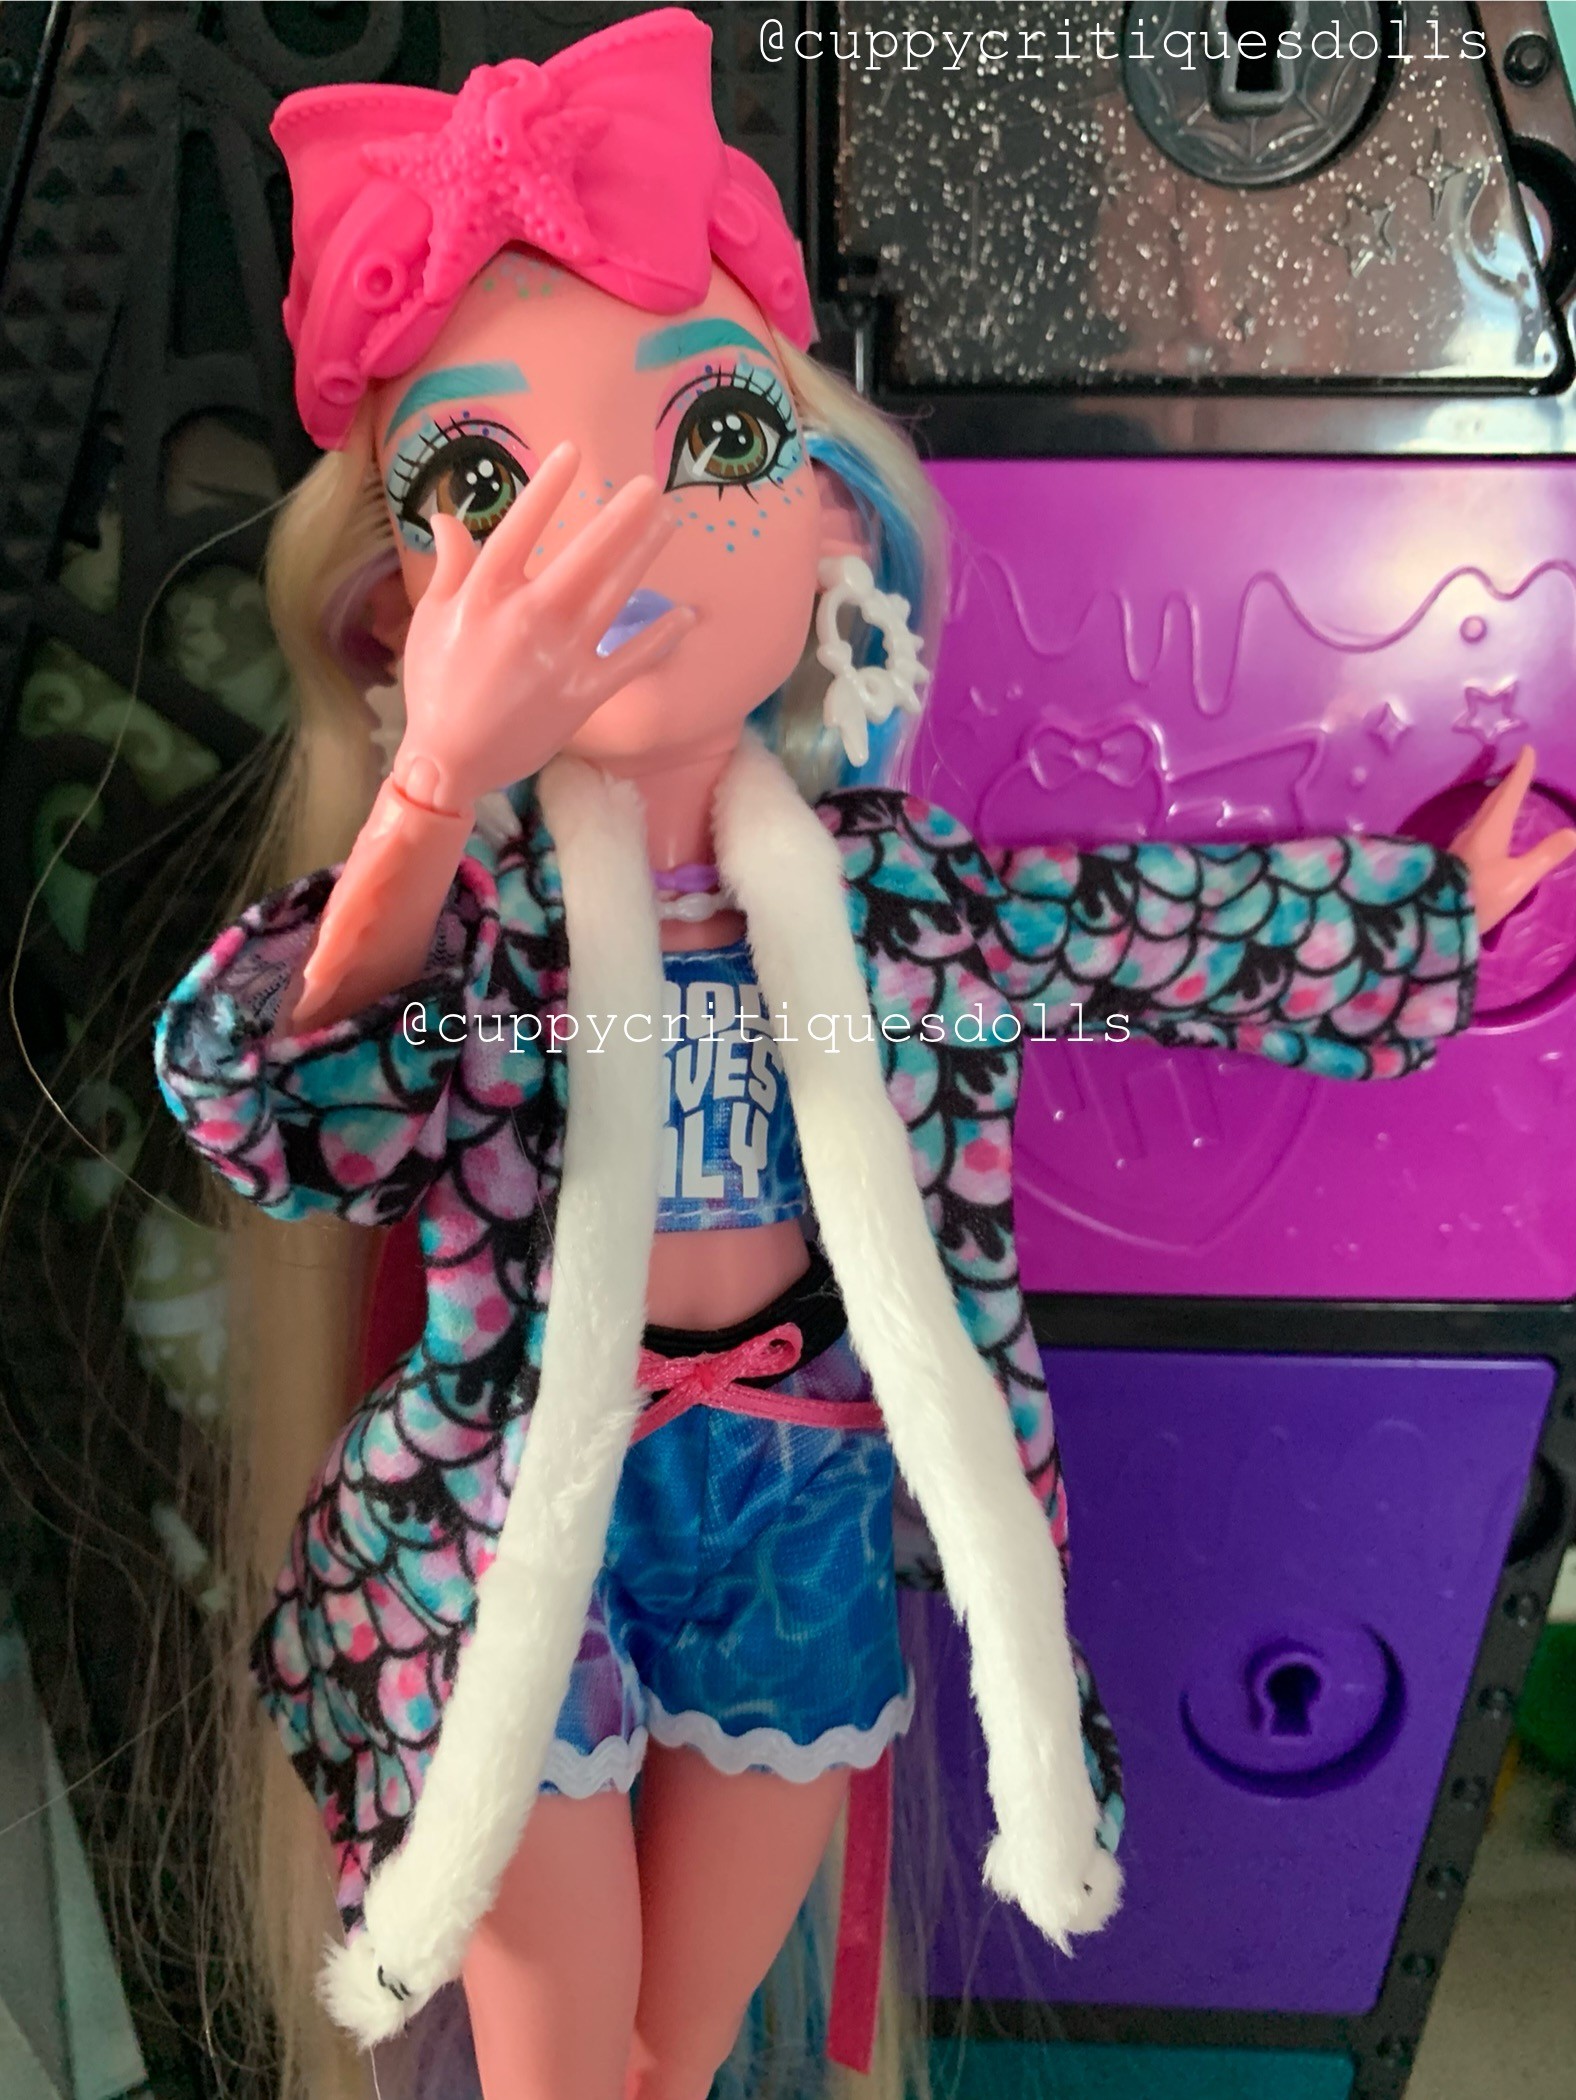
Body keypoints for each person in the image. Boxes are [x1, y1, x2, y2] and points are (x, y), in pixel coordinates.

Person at [152, 13, 1574, 2099]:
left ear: (827, 519)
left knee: (684, 2045)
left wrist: (1427, 915)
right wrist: (436, 787)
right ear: (394, 612)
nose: (611, 538)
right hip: (518, 1518)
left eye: (712, 437)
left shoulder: (894, 910)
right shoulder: (482, 944)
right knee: (554, 2064)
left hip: (797, 1499)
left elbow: (1134, 938)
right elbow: (269, 1096)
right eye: (481, 484)